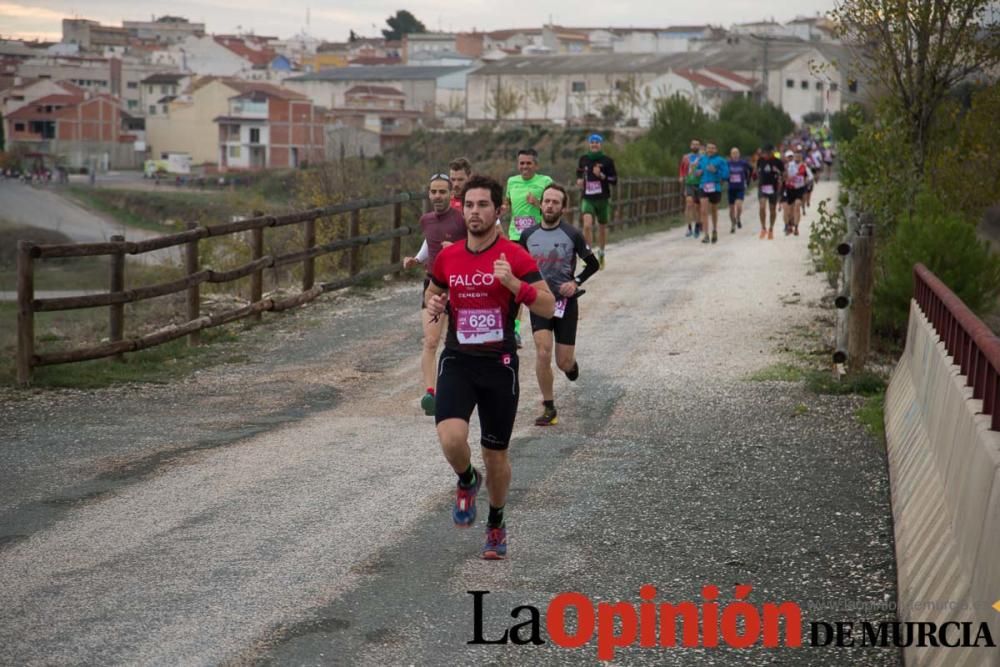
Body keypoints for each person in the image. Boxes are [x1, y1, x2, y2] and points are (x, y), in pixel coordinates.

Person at [425, 174, 555, 560]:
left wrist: (516, 284)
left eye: (482, 205)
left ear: (498, 211)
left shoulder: (515, 255)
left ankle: (496, 521)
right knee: (451, 438)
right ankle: (467, 480)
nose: (474, 212)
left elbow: (548, 306)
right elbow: (435, 291)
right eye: (468, 205)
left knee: (495, 453)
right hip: (459, 359)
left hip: (499, 365)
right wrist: (435, 304)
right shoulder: (449, 256)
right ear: (460, 208)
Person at [519, 183, 600, 426]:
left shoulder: (572, 234)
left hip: (565, 303)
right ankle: (549, 407)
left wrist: (575, 282)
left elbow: (593, 264)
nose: (550, 205)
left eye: (555, 202)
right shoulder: (528, 235)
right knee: (542, 352)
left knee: (563, 362)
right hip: (539, 302)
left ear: (563, 208)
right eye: (547, 201)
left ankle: (571, 366)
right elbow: (520, 267)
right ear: (540, 204)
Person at [404, 173, 469, 416]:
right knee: (431, 341)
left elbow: (477, 244)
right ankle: (431, 393)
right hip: (433, 285)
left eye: (442, 191)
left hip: (461, 286)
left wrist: (457, 250)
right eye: (434, 192)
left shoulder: (462, 219)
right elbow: (429, 242)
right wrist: (417, 259)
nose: (438, 196)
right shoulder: (426, 220)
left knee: (460, 341)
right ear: (429, 194)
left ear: (451, 194)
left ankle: (462, 389)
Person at [504, 148, 553, 347]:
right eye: (521, 163)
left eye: (528, 163)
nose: (524, 166)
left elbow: (556, 208)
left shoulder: (545, 182)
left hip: (538, 238)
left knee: (538, 284)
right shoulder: (511, 181)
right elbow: (506, 203)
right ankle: (514, 330)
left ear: (536, 165)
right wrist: (504, 207)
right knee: (515, 286)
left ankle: (546, 321)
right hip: (516, 239)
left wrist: (539, 203)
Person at [576, 133, 617, 268]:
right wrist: (579, 180)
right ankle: (588, 256)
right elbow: (579, 172)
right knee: (587, 225)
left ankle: (601, 253)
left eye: (597, 142)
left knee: (602, 228)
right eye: (592, 142)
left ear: (600, 145)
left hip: (603, 199)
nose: (594, 145)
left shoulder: (607, 161)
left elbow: (614, 180)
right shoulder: (583, 159)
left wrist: (602, 175)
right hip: (588, 198)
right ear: (589, 144)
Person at [696, 142, 729, 244]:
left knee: (714, 210)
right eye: (708, 148)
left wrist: (715, 171)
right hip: (703, 186)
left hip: (715, 187)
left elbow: (726, 175)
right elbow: (697, 172)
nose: (710, 150)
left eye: (713, 148)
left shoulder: (721, 161)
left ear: (716, 150)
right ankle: (706, 235)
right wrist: (698, 172)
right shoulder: (702, 159)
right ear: (706, 149)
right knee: (704, 210)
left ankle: (714, 230)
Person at [755, 145, 784, 240]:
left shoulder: (778, 162)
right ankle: (763, 228)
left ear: (772, 152)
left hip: (773, 188)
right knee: (762, 206)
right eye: (765, 152)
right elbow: (757, 171)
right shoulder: (760, 160)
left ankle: (771, 229)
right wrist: (757, 177)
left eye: (768, 152)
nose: (766, 154)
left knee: (772, 209)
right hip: (762, 187)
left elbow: (784, 173)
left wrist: (781, 180)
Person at [782, 150, 811, 236]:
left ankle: (796, 227)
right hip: (790, 189)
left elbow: (807, 177)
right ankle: (788, 225)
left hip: (799, 189)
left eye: (799, 156)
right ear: (794, 157)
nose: (797, 158)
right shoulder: (789, 166)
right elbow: (784, 176)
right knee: (789, 210)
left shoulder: (804, 166)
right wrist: (787, 178)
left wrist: (805, 185)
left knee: (797, 206)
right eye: (796, 156)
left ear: (801, 157)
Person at [679, 139, 702, 238]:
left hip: (699, 184)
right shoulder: (686, 157)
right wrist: (681, 176)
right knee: (689, 204)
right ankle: (689, 228)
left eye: (697, 145)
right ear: (690, 146)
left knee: (697, 207)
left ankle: (697, 226)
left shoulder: (702, 158)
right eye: (694, 144)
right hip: (689, 183)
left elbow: (705, 169)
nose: (695, 146)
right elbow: (682, 168)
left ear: (699, 147)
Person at [726, 147, 752, 233]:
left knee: (739, 206)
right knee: (731, 209)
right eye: (733, 153)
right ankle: (733, 224)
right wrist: (726, 178)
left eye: (736, 153)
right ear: (731, 155)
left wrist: (748, 180)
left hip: (740, 188)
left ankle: (738, 218)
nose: (735, 155)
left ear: (739, 154)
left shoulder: (743, 163)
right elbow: (723, 173)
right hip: (731, 188)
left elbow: (751, 169)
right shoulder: (728, 163)